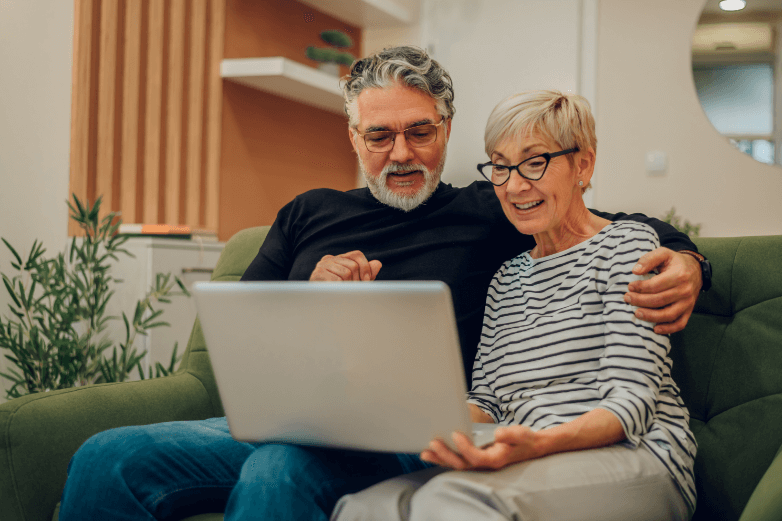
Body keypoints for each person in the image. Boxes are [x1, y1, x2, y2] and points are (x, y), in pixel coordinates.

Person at [58, 47, 706, 521]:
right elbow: (241, 332)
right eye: (380, 135)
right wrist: (306, 293)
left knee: (278, 471)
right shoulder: (305, 212)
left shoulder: (493, 208)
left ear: (445, 130)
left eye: (420, 131)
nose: (401, 153)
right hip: (279, 419)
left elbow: (602, 225)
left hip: (398, 437)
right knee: (104, 455)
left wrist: (686, 258)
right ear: (353, 136)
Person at [331, 90, 696, 521]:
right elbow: (486, 400)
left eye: (535, 161)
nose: (515, 185)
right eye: (501, 166)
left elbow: (631, 403)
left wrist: (538, 444)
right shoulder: (507, 278)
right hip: (529, 456)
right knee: (365, 506)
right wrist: (416, 421)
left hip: (638, 457)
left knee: (449, 501)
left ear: (583, 165)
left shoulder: (627, 246)